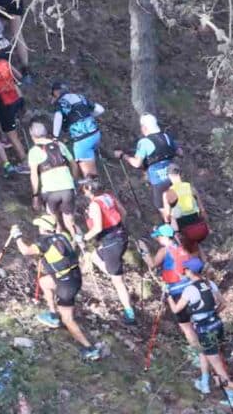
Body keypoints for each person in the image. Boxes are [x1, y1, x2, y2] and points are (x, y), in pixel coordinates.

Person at [11, 217, 100, 361]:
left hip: (66, 285)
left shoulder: (43, 242)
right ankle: (53, 315)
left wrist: (17, 236)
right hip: (74, 277)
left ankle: (90, 348)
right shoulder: (62, 236)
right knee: (44, 282)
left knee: (68, 320)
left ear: (42, 228)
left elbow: (25, 251)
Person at [166, 257, 233, 408]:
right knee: (204, 352)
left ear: (190, 271)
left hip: (205, 329)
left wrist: (168, 297)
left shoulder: (190, 289)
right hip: (217, 324)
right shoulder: (209, 284)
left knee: (217, 365)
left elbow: (176, 309)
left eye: (186, 269)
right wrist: (212, 314)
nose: (184, 271)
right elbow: (223, 303)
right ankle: (205, 382)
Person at [80, 178, 136, 325]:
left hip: (111, 242)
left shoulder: (94, 204)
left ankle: (129, 312)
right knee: (94, 255)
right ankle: (112, 270)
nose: (83, 191)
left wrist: (83, 238)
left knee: (117, 280)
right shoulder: (109, 197)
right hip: (121, 236)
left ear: (90, 190)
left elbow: (97, 227)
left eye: (84, 188)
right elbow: (123, 212)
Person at [139, 224, 200, 347]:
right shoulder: (182, 247)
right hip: (192, 286)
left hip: (177, 290)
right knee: (197, 320)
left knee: (186, 326)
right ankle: (208, 347)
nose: (157, 239)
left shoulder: (164, 250)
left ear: (165, 237)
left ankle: (198, 352)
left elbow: (152, 264)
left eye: (159, 237)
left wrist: (144, 250)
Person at [115, 113, 181, 221]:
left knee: (164, 209)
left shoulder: (144, 142)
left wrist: (124, 156)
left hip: (158, 179)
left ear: (144, 127)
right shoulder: (166, 136)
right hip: (173, 175)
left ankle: (172, 231)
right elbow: (180, 152)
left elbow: (137, 163)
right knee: (177, 204)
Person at [28, 121, 80, 234]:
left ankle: (56, 246)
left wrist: (35, 195)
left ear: (32, 136)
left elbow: (34, 176)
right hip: (68, 188)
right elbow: (74, 165)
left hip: (51, 191)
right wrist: (74, 182)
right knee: (70, 222)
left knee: (53, 221)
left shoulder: (34, 151)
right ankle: (81, 245)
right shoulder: (60, 145)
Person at [50, 82, 104, 178]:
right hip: (96, 134)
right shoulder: (80, 97)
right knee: (90, 164)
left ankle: (94, 189)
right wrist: (88, 117)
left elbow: (58, 117)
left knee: (89, 176)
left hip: (82, 139)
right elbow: (100, 109)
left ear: (55, 92)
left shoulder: (61, 102)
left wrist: (55, 136)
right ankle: (94, 186)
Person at [163, 163, 209, 256]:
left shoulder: (168, 193)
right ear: (180, 174)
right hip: (199, 225)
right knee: (195, 245)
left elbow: (167, 216)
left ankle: (195, 265)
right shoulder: (190, 187)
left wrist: (169, 229)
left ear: (169, 176)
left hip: (184, 228)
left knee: (188, 248)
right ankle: (205, 263)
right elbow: (202, 209)